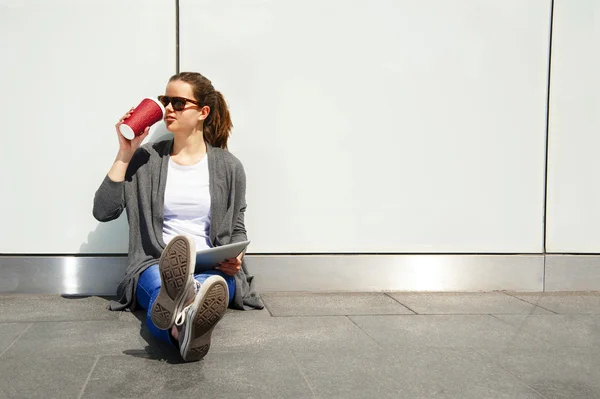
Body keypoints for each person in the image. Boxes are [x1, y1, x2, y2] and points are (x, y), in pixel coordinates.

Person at [92, 72, 263, 362]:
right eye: (165, 100)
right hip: (157, 262)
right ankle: (185, 326)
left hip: (212, 264)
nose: (168, 108)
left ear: (203, 112)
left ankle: (178, 324)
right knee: (164, 288)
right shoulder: (145, 160)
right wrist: (125, 152)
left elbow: (236, 225)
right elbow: (103, 211)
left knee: (208, 286)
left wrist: (236, 256)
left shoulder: (229, 167)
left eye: (179, 103)